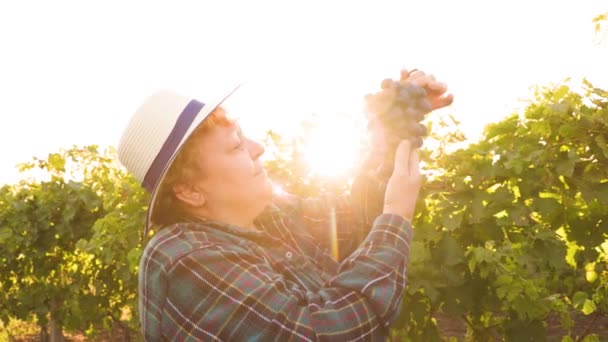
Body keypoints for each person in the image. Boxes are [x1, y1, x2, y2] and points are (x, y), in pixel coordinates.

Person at [117, 69, 453, 341]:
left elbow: (350, 223)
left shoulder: (269, 217)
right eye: (236, 147)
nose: (258, 147)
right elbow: (328, 333)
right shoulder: (183, 258)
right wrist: (396, 214)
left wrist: (389, 126)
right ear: (189, 191)